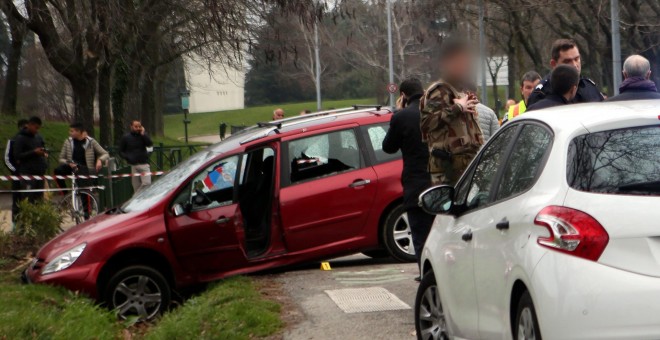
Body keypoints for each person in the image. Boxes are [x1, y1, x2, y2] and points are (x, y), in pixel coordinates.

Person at [382, 78, 433, 278]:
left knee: (420, 236)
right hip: (441, 183)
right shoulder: (437, 112)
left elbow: (388, 147)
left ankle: (426, 277)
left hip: (416, 184)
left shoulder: (402, 117)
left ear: (403, 95)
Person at [420, 39, 484, 186]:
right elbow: (426, 123)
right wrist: (457, 108)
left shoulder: (460, 89)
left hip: (466, 165)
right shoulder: (440, 91)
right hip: (448, 169)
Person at [527, 39, 603, 107]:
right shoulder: (541, 94)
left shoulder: (588, 87)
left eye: (577, 59)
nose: (574, 65)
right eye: (567, 61)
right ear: (554, 64)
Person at [54, 123, 109, 192]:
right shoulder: (68, 142)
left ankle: (86, 198)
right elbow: (61, 159)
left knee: (83, 190)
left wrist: (100, 160)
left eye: (72, 131)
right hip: (72, 167)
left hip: (85, 169)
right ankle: (65, 193)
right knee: (58, 171)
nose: (69, 133)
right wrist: (68, 162)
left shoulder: (91, 142)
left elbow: (105, 154)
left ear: (79, 132)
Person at [12, 116, 48, 203]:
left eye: (38, 128)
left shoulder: (38, 137)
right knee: (28, 199)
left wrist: (43, 152)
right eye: (36, 128)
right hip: (27, 173)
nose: (37, 130)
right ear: (30, 125)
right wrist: (33, 152)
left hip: (39, 172)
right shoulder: (20, 138)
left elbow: (42, 148)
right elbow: (17, 155)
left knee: (39, 200)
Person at [119, 120, 154, 194]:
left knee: (147, 184)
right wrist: (127, 157)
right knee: (136, 187)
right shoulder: (126, 138)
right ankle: (138, 202)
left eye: (139, 126)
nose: (138, 128)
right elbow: (120, 151)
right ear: (131, 127)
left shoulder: (143, 136)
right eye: (136, 127)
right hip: (133, 165)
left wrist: (143, 134)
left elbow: (149, 144)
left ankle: (133, 199)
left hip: (144, 164)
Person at [4, 119, 28, 223]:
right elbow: (7, 158)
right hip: (17, 176)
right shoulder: (12, 140)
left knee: (29, 199)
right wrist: (15, 172)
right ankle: (16, 223)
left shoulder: (32, 140)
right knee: (17, 200)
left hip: (29, 174)